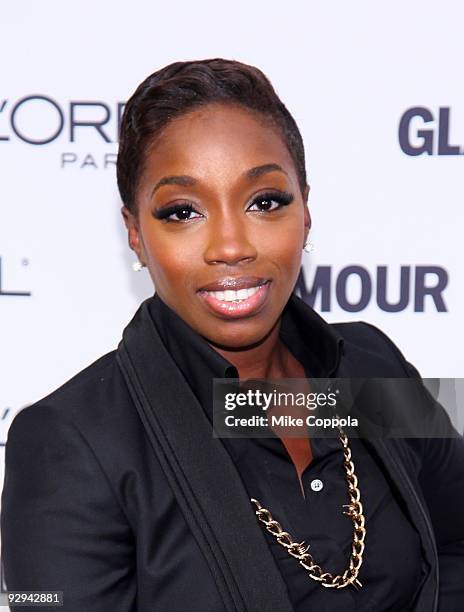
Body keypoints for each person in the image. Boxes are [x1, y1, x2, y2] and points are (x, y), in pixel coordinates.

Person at [1, 58, 463, 612]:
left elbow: (456, 543)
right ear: (135, 234)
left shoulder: (372, 362)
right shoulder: (69, 440)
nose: (229, 245)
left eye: (264, 202)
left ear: (306, 210)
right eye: (182, 212)